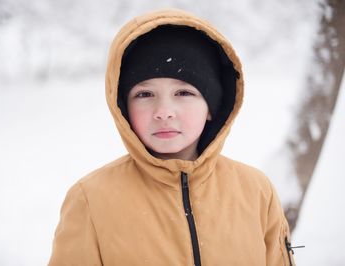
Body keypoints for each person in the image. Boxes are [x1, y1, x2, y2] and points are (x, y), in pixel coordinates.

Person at [48, 9, 296, 266]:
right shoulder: (91, 199)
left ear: (211, 107)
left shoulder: (255, 191)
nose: (163, 112)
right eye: (145, 95)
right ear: (123, 107)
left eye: (183, 93)